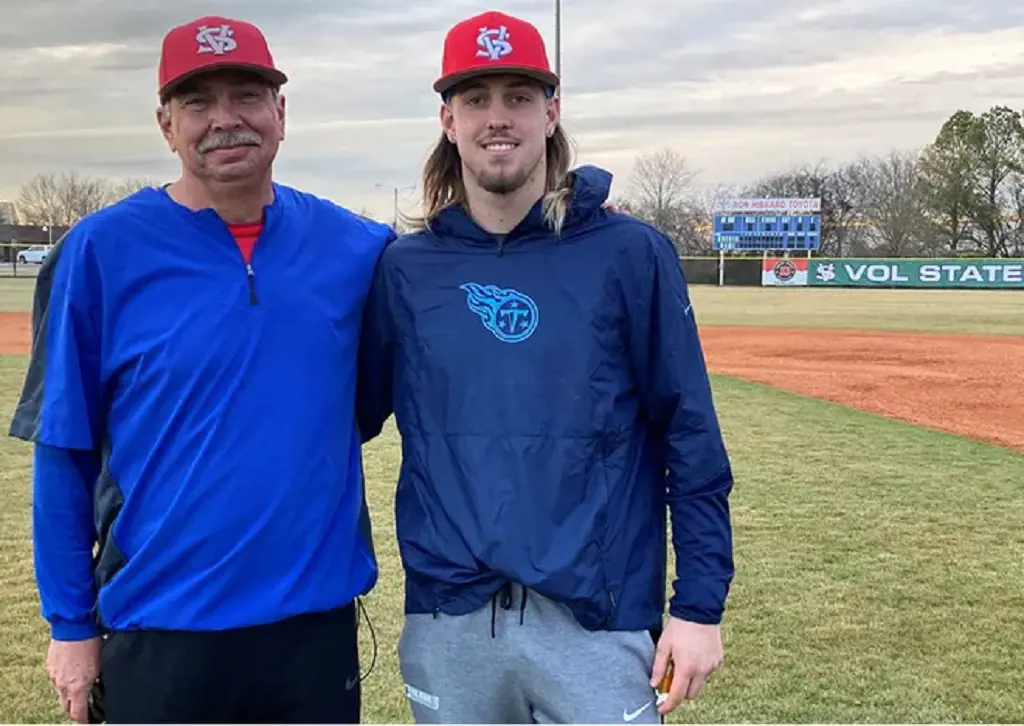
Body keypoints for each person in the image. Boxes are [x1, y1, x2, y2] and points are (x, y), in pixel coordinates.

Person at [355, 9, 736, 725]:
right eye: (476, 99)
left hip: (599, 620)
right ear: (448, 117)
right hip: (450, 622)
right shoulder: (407, 272)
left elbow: (689, 433)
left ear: (551, 112)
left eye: (519, 97)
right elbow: (340, 421)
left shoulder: (629, 254)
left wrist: (699, 606)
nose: (497, 118)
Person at [9, 15, 392, 724]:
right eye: (197, 102)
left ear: (281, 112)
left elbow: (365, 403)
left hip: (311, 631)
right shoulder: (99, 253)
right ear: (166, 124)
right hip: (160, 628)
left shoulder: (358, 249)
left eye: (246, 94)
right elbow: (63, 451)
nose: (225, 119)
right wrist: (68, 625)